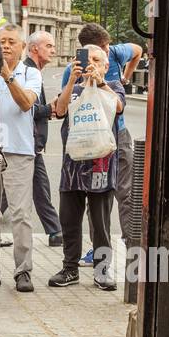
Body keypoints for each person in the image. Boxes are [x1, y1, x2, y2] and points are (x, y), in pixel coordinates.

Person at [58, 23, 143, 265]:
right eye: (90, 55)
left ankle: (129, 245)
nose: (104, 51)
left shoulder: (114, 55)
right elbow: (61, 108)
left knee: (122, 193)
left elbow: (137, 50)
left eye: (102, 53)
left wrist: (124, 77)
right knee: (89, 203)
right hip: (82, 143)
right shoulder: (72, 71)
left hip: (115, 136)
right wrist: (76, 78)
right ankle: (94, 254)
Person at [48, 44, 125, 291]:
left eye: (96, 59)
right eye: (85, 59)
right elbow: (59, 110)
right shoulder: (72, 90)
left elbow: (118, 107)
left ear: (105, 65)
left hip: (101, 167)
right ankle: (70, 268)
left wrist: (100, 82)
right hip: (72, 168)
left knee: (101, 223)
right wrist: (72, 79)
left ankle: (102, 271)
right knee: (69, 221)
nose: (90, 63)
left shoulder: (112, 87)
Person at [0, 24, 40, 293]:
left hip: (19, 151)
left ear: (22, 47)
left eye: (11, 42)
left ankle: (23, 271)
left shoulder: (31, 73)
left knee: (20, 215)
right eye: (1, 42)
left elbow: (27, 103)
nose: (5, 46)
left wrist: (7, 76)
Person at [24, 30, 63, 246]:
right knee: (38, 188)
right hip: (26, 142)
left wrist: (49, 110)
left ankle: (55, 231)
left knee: (37, 188)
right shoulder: (29, 72)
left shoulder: (33, 70)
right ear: (34, 48)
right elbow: (26, 107)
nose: (53, 50)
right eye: (48, 45)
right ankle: (55, 231)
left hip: (30, 143)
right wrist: (49, 109)